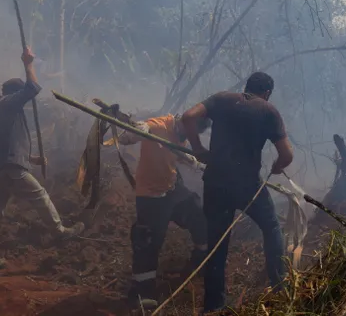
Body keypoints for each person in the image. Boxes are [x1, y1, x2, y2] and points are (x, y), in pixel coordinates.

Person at [181, 71, 294, 314]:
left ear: (247, 86)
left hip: (215, 182)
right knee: (272, 227)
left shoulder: (222, 99)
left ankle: (213, 306)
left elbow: (188, 116)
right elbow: (287, 155)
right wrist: (277, 167)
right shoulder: (267, 110)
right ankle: (279, 290)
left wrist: (198, 148)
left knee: (216, 244)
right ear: (267, 93)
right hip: (246, 185)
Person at [0, 46, 84, 272]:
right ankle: (61, 233)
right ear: (14, 95)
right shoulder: (8, 103)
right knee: (40, 196)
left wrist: (31, 159)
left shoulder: (1, 111)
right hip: (10, 169)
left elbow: (7, 145)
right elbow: (33, 88)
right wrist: (28, 64)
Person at [117, 111, 211, 310]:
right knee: (148, 240)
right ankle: (143, 291)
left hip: (172, 187)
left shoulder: (182, 135)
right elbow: (139, 130)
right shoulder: (161, 126)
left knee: (197, 213)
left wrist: (193, 162)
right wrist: (136, 132)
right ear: (186, 122)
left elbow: (176, 154)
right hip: (151, 194)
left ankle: (200, 258)